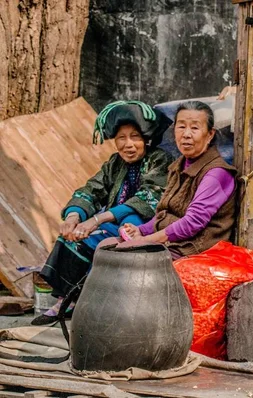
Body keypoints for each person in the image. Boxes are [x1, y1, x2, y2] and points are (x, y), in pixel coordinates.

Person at [33, 101, 173, 326]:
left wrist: (96, 219)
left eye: (135, 136)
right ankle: (67, 299)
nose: (128, 144)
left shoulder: (160, 160)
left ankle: (90, 301)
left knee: (119, 230)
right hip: (109, 223)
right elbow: (92, 189)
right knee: (73, 240)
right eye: (121, 138)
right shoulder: (114, 163)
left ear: (145, 139)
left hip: (141, 225)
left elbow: (149, 198)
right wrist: (74, 216)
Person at [122, 101, 237, 258]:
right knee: (106, 246)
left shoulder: (217, 173)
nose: (186, 134)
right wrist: (141, 230)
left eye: (195, 128)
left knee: (127, 258)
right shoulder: (178, 167)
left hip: (195, 249)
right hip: (173, 243)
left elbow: (192, 222)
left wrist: (146, 240)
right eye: (181, 127)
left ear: (210, 135)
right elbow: (165, 214)